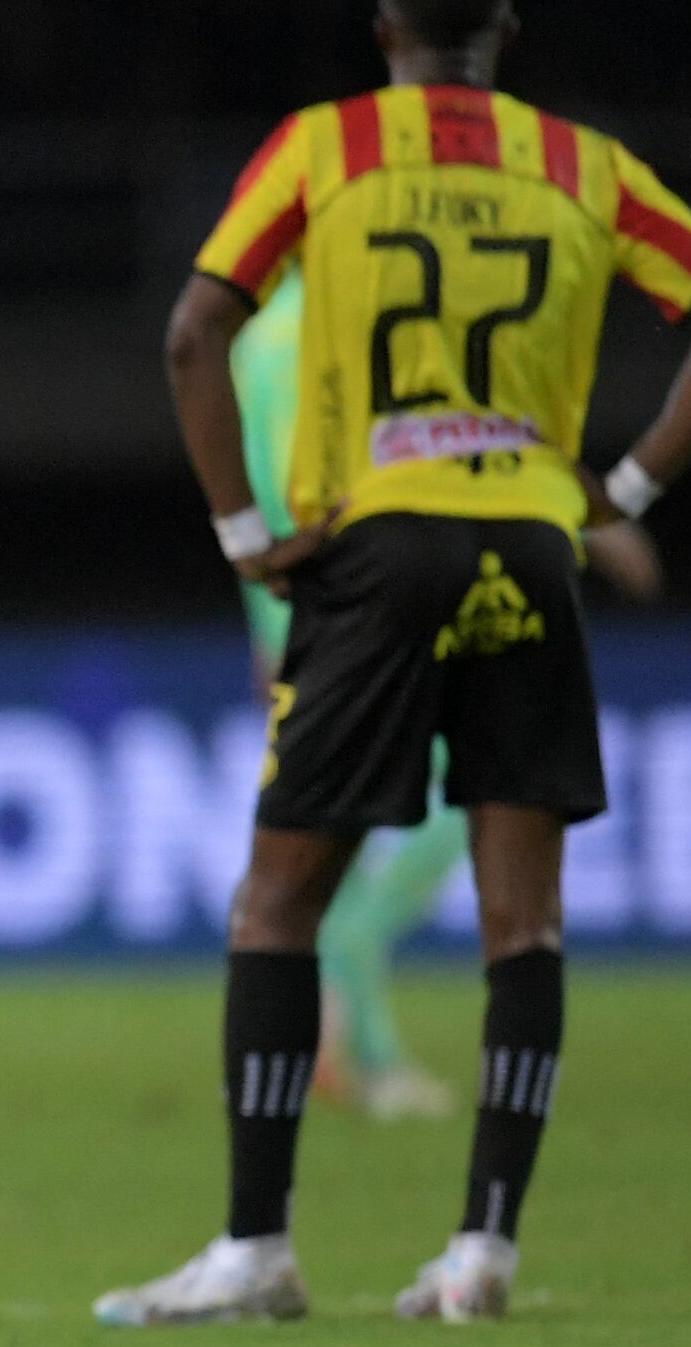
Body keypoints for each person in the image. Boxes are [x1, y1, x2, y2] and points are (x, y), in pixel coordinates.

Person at [96, 0, 691, 1327]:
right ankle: (481, 1254)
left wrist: (241, 534)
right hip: (528, 544)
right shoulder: (579, 166)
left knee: (276, 899)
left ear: (383, 41)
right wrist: (625, 490)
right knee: (520, 921)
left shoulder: (323, 148)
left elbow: (188, 335)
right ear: (505, 43)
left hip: (375, 540)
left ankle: (254, 1249)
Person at [230, 268, 663, 1121]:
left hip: (304, 605)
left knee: (334, 822)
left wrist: (264, 625)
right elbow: (427, 450)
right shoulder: (352, 317)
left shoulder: (253, 336)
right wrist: (598, 522)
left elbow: (257, 487)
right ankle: (360, 1033)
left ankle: (337, 1035)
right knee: (457, 795)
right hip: (372, 599)